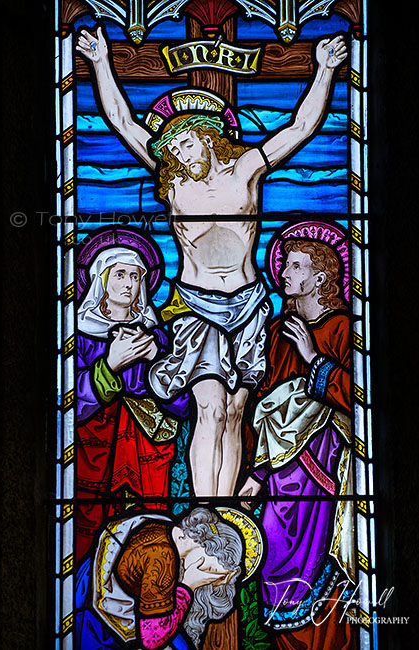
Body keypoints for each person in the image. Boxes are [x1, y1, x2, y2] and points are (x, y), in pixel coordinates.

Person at [76, 28, 347, 497]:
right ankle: (204, 509)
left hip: (249, 302)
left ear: (208, 138)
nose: (178, 156)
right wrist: (101, 62)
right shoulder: (174, 183)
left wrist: (324, 69)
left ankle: (223, 511)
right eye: (172, 151)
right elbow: (121, 121)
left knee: (239, 410)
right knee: (210, 407)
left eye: (185, 145)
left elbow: (301, 128)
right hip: (196, 304)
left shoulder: (247, 168)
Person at [239, 238, 356, 649]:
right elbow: (263, 408)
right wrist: (255, 473)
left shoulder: (344, 329)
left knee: (323, 570)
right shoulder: (277, 333)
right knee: (271, 555)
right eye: (284, 265)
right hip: (278, 478)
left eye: (294, 266)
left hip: (324, 481)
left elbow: (358, 398)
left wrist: (313, 358)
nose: (283, 274)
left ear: (319, 278)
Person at [77, 246, 188, 561]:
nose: (128, 283)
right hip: (96, 455)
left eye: (136, 276)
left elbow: (184, 407)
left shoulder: (160, 339)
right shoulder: (81, 336)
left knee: (150, 540)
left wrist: (158, 362)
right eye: (120, 274)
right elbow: (72, 407)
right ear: (102, 279)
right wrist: (110, 365)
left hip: (151, 456)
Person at [76, 507, 244, 650]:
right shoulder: (162, 557)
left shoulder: (163, 528)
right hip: (101, 628)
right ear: (202, 544)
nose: (208, 578)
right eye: (209, 569)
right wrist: (189, 584)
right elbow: (151, 638)